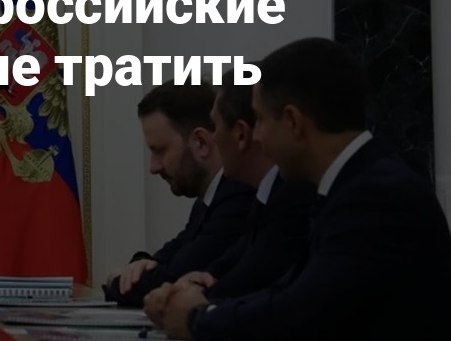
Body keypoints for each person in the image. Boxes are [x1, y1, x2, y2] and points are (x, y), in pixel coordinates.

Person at [154, 38, 451, 340]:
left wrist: (197, 318)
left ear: (293, 122)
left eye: (261, 121)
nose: (258, 137)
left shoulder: (375, 196)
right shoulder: (356, 183)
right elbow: (289, 290)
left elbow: (299, 313)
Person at [143, 69, 313, 323]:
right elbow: (227, 266)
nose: (212, 138)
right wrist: (191, 286)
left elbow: (254, 282)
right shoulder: (266, 195)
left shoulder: (284, 196)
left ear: (241, 134)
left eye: (217, 127)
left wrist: (192, 303)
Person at [103, 83, 254, 307]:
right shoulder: (209, 199)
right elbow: (170, 257)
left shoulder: (238, 196)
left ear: (201, 142)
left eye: (160, 150)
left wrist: (118, 279)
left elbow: (165, 281)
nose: (153, 167)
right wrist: (139, 263)